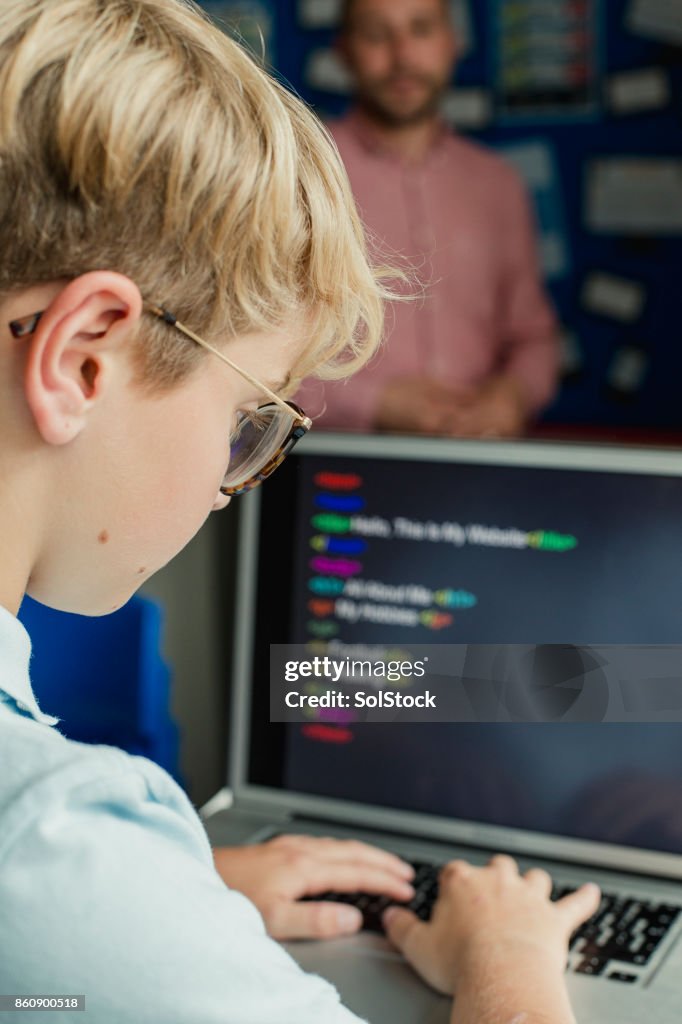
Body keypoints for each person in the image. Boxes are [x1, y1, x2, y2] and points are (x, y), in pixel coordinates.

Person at [0, 2, 599, 1022]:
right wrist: (508, 957)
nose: (236, 480)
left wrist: (179, 899)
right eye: (249, 416)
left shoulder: (73, 875)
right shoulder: (53, 841)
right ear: (83, 356)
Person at [297, 0, 560, 437]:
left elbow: (535, 337)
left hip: (475, 462)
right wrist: (374, 402)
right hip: (335, 460)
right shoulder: (303, 173)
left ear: (452, 42)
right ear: (344, 51)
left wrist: (512, 396)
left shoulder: (500, 184)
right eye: (377, 35)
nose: (402, 56)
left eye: (420, 29)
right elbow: (253, 344)